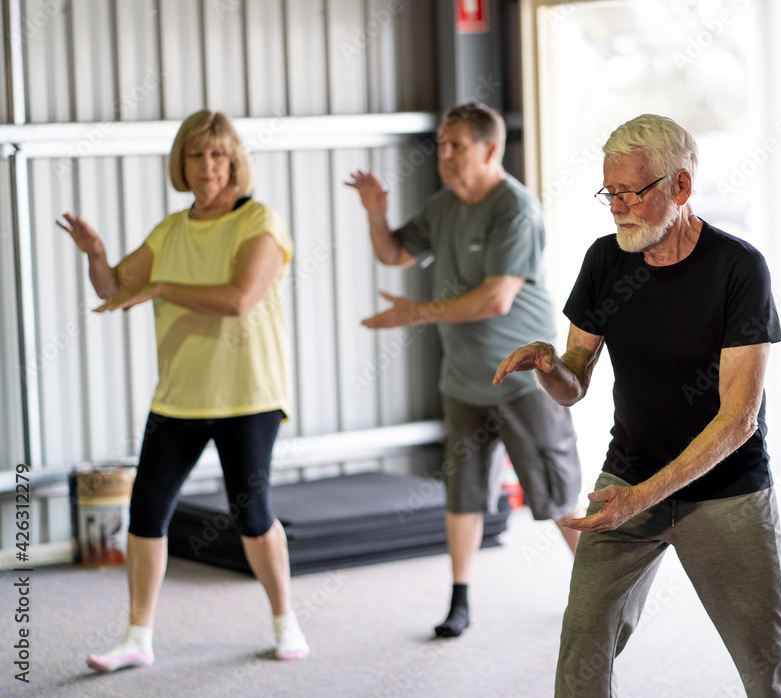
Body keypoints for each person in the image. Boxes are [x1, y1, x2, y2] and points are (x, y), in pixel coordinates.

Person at [494, 114, 781, 697]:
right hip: (629, 474)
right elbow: (575, 382)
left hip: (725, 488)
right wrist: (550, 366)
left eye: (631, 193)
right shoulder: (605, 260)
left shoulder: (738, 269)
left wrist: (641, 499)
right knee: (583, 640)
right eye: (609, 193)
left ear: (680, 186)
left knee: (768, 657)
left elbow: (739, 420)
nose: (617, 208)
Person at [58, 110, 309, 672]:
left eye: (218, 155)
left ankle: (285, 621)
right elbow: (114, 289)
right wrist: (96, 256)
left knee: (252, 514)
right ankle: (137, 637)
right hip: (179, 397)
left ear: (234, 162)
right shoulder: (170, 231)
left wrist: (162, 286)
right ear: (182, 163)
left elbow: (239, 299)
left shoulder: (260, 221)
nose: (207, 166)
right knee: (146, 512)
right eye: (196, 155)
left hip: (249, 396)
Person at [345, 102, 582, 638]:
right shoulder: (445, 205)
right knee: (464, 496)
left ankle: (601, 592)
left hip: (524, 380)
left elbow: (496, 299)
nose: (445, 154)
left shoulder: (515, 209)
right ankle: (459, 601)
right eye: (442, 144)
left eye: (457, 145)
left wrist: (416, 314)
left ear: (490, 149)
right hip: (465, 381)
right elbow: (394, 255)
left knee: (556, 496)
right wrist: (375, 211)